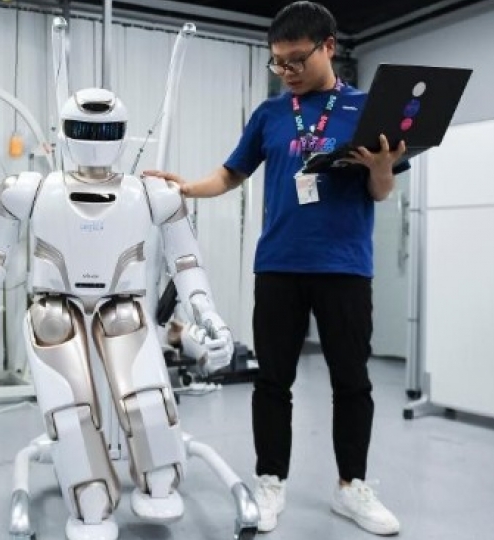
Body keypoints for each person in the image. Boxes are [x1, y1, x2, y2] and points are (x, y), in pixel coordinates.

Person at [145, 1, 406, 536]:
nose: (286, 72)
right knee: (273, 381)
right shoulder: (269, 114)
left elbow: (380, 192)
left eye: (295, 61)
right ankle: (270, 481)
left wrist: (381, 168)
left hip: (345, 268)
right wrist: (186, 187)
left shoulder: (365, 109)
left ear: (328, 47)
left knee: (352, 382)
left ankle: (351, 488)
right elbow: (231, 173)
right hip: (280, 266)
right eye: (277, 63)